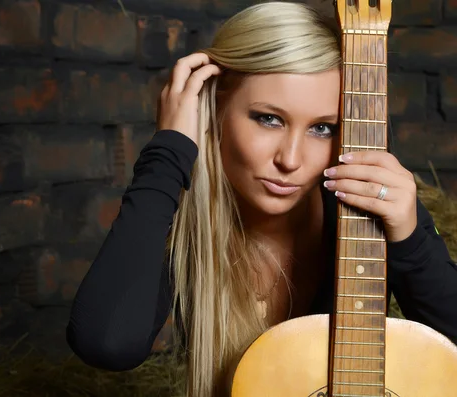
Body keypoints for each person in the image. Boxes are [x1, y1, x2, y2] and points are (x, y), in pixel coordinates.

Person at [66, 2, 457, 396]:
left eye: (322, 128)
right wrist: (166, 155)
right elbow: (106, 343)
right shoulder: (182, 217)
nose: (290, 160)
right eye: (268, 119)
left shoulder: (368, 205)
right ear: (213, 107)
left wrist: (412, 241)